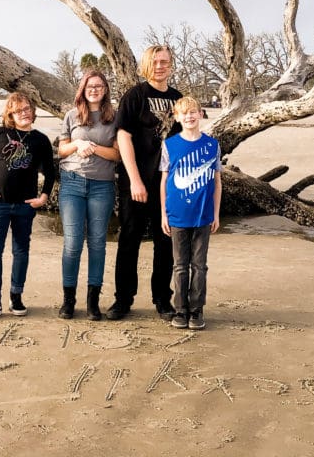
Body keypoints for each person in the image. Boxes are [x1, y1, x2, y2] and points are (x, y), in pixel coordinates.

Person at [106, 44, 182, 321]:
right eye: (155, 62)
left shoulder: (178, 99)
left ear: (171, 65)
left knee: (165, 240)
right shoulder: (135, 96)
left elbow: (186, 138)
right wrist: (136, 180)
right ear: (147, 66)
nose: (160, 66)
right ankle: (123, 300)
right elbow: (123, 138)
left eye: (165, 61)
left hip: (168, 183)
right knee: (130, 239)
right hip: (135, 181)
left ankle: (163, 299)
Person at [0, 93, 56, 320]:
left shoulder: (41, 140)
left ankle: (16, 296)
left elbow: (50, 172)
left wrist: (43, 197)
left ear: (33, 111)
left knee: (20, 251)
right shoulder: (0, 134)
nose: (24, 113)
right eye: (18, 110)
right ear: (10, 114)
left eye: (27, 108)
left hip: (24, 206)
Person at [56, 70, 120, 320]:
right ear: (82, 89)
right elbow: (62, 150)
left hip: (102, 186)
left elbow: (117, 155)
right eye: (90, 86)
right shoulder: (72, 115)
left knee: (97, 244)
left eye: (99, 86)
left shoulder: (114, 118)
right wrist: (76, 145)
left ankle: (93, 301)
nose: (94, 89)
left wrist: (93, 149)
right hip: (72, 183)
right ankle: (68, 300)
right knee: (72, 244)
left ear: (105, 89)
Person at [160, 96, 221, 331]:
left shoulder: (212, 145)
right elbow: (165, 180)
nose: (189, 116)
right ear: (177, 117)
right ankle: (181, 310)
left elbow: (217, 182)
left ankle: (197, 309)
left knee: (200, 265)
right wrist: (164, 214)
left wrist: (216, 214)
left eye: (193, 112)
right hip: (177, 216)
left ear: (200, 114)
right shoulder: (170, 144)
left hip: (203, 215)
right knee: (180, 265)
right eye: (184, 113)